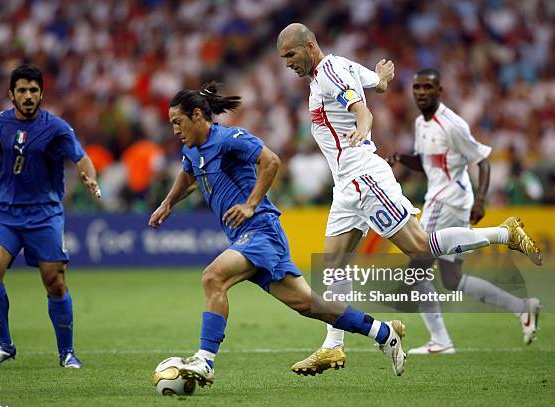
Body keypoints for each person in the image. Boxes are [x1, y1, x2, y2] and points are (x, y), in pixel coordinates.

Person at [276, 23, 542, 375]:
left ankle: (504, 234)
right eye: (283, 59)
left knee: (420, 247)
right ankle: (332, 347)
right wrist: (382, 77)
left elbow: (363, 111)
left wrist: (363, 125)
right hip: (345, 185)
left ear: (309, 46)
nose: (287, 64)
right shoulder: (343, 66)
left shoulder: (328, 75)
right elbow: (379, 85)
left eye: (291, 55)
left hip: (363, 177)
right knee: (332, 265)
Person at [148, 82, 408, 386]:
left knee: (213, 277)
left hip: (260, 229)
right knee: (310, 305)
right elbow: (189, 176)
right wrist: (167, 203)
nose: (175, 130)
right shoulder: (192, 151)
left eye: (178, 122)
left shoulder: (229, 138)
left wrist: (250, 204)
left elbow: (271, 161)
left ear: (196, 115)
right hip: (245, 237)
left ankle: (205, 361)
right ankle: (382, 333)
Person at [0, 64, 101, 369]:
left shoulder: (56, 127)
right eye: (22, 90)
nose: (28, 95)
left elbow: (81, 157)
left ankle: (66, 352)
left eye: (33, 90)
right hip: (4, 213)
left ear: (42, 94)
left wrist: (90, 178)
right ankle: (3, 344)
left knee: (54, 281)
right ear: (11, 94)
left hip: (44, 214)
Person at [387, 68, 541, 354]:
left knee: (415, 272)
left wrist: (481, 199)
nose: (421, 92)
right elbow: (427, 163)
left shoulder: (452, 124)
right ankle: (522, 308)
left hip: (446, 202)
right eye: (417, 88)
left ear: (439, 91)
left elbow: (482, 161)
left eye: (427, 88)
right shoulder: (421, 124)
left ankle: (441, 340)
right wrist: (402, 158)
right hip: (447, 201)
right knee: (451, 280)